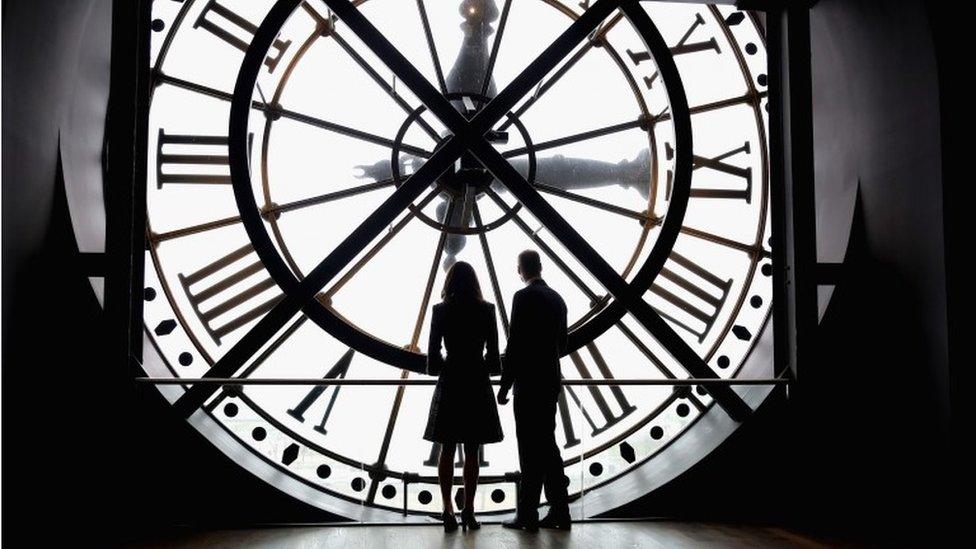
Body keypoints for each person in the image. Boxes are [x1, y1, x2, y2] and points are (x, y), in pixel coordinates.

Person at [423, 261, 504, 532]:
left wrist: (442, 365)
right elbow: (493, 355)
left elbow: (433, 355)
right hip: (476, 381)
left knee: (446, 447)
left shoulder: (440, 311)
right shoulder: (487, 310)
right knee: (472, 450)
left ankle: (447, 509)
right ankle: (468, 510)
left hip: (451, 379)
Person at [497, 250, 571, 531]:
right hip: (549, 380)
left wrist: (505, 385)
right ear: (540, 267)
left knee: (530, 448)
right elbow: (561, 345)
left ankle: (529, 512)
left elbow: (515, 346)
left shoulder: (522, 297)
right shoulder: (557, 299)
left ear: (520, 271)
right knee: (546, 445)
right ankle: (558, 510)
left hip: (528, 383)